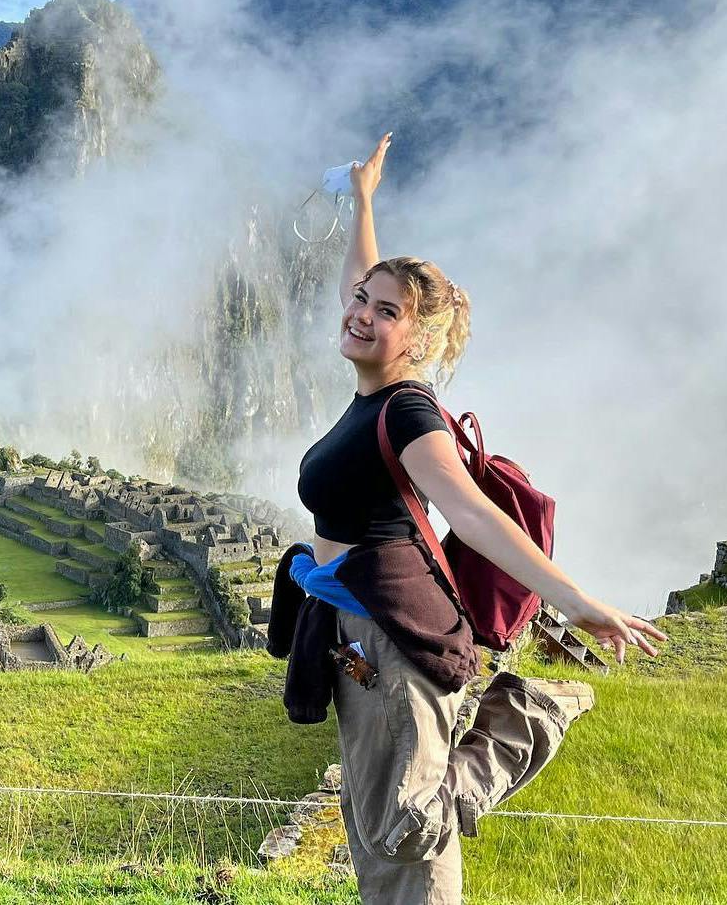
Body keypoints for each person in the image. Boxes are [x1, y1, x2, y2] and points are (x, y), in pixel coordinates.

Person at [282, 131, 668, 905]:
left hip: (394, 645)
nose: (359, 312)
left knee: (408, 833)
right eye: (361, 299)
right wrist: (361, 199)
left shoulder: (408, 410)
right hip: (355, 635)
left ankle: (524, 717)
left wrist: (580, 604)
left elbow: (476, 515)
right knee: (375, 828)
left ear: (416, 339)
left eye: (383, 310)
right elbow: (360, 279)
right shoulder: (371, 393)